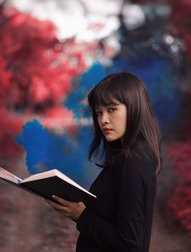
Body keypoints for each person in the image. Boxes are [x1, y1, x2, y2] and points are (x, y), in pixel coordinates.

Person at [45, 72, 161, 252]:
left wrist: (82, 215)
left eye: (112, 109)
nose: (103, 120)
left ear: (134, 108)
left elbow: (130, 243)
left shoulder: (133, 163)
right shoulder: (129, 157)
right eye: (99, 112)